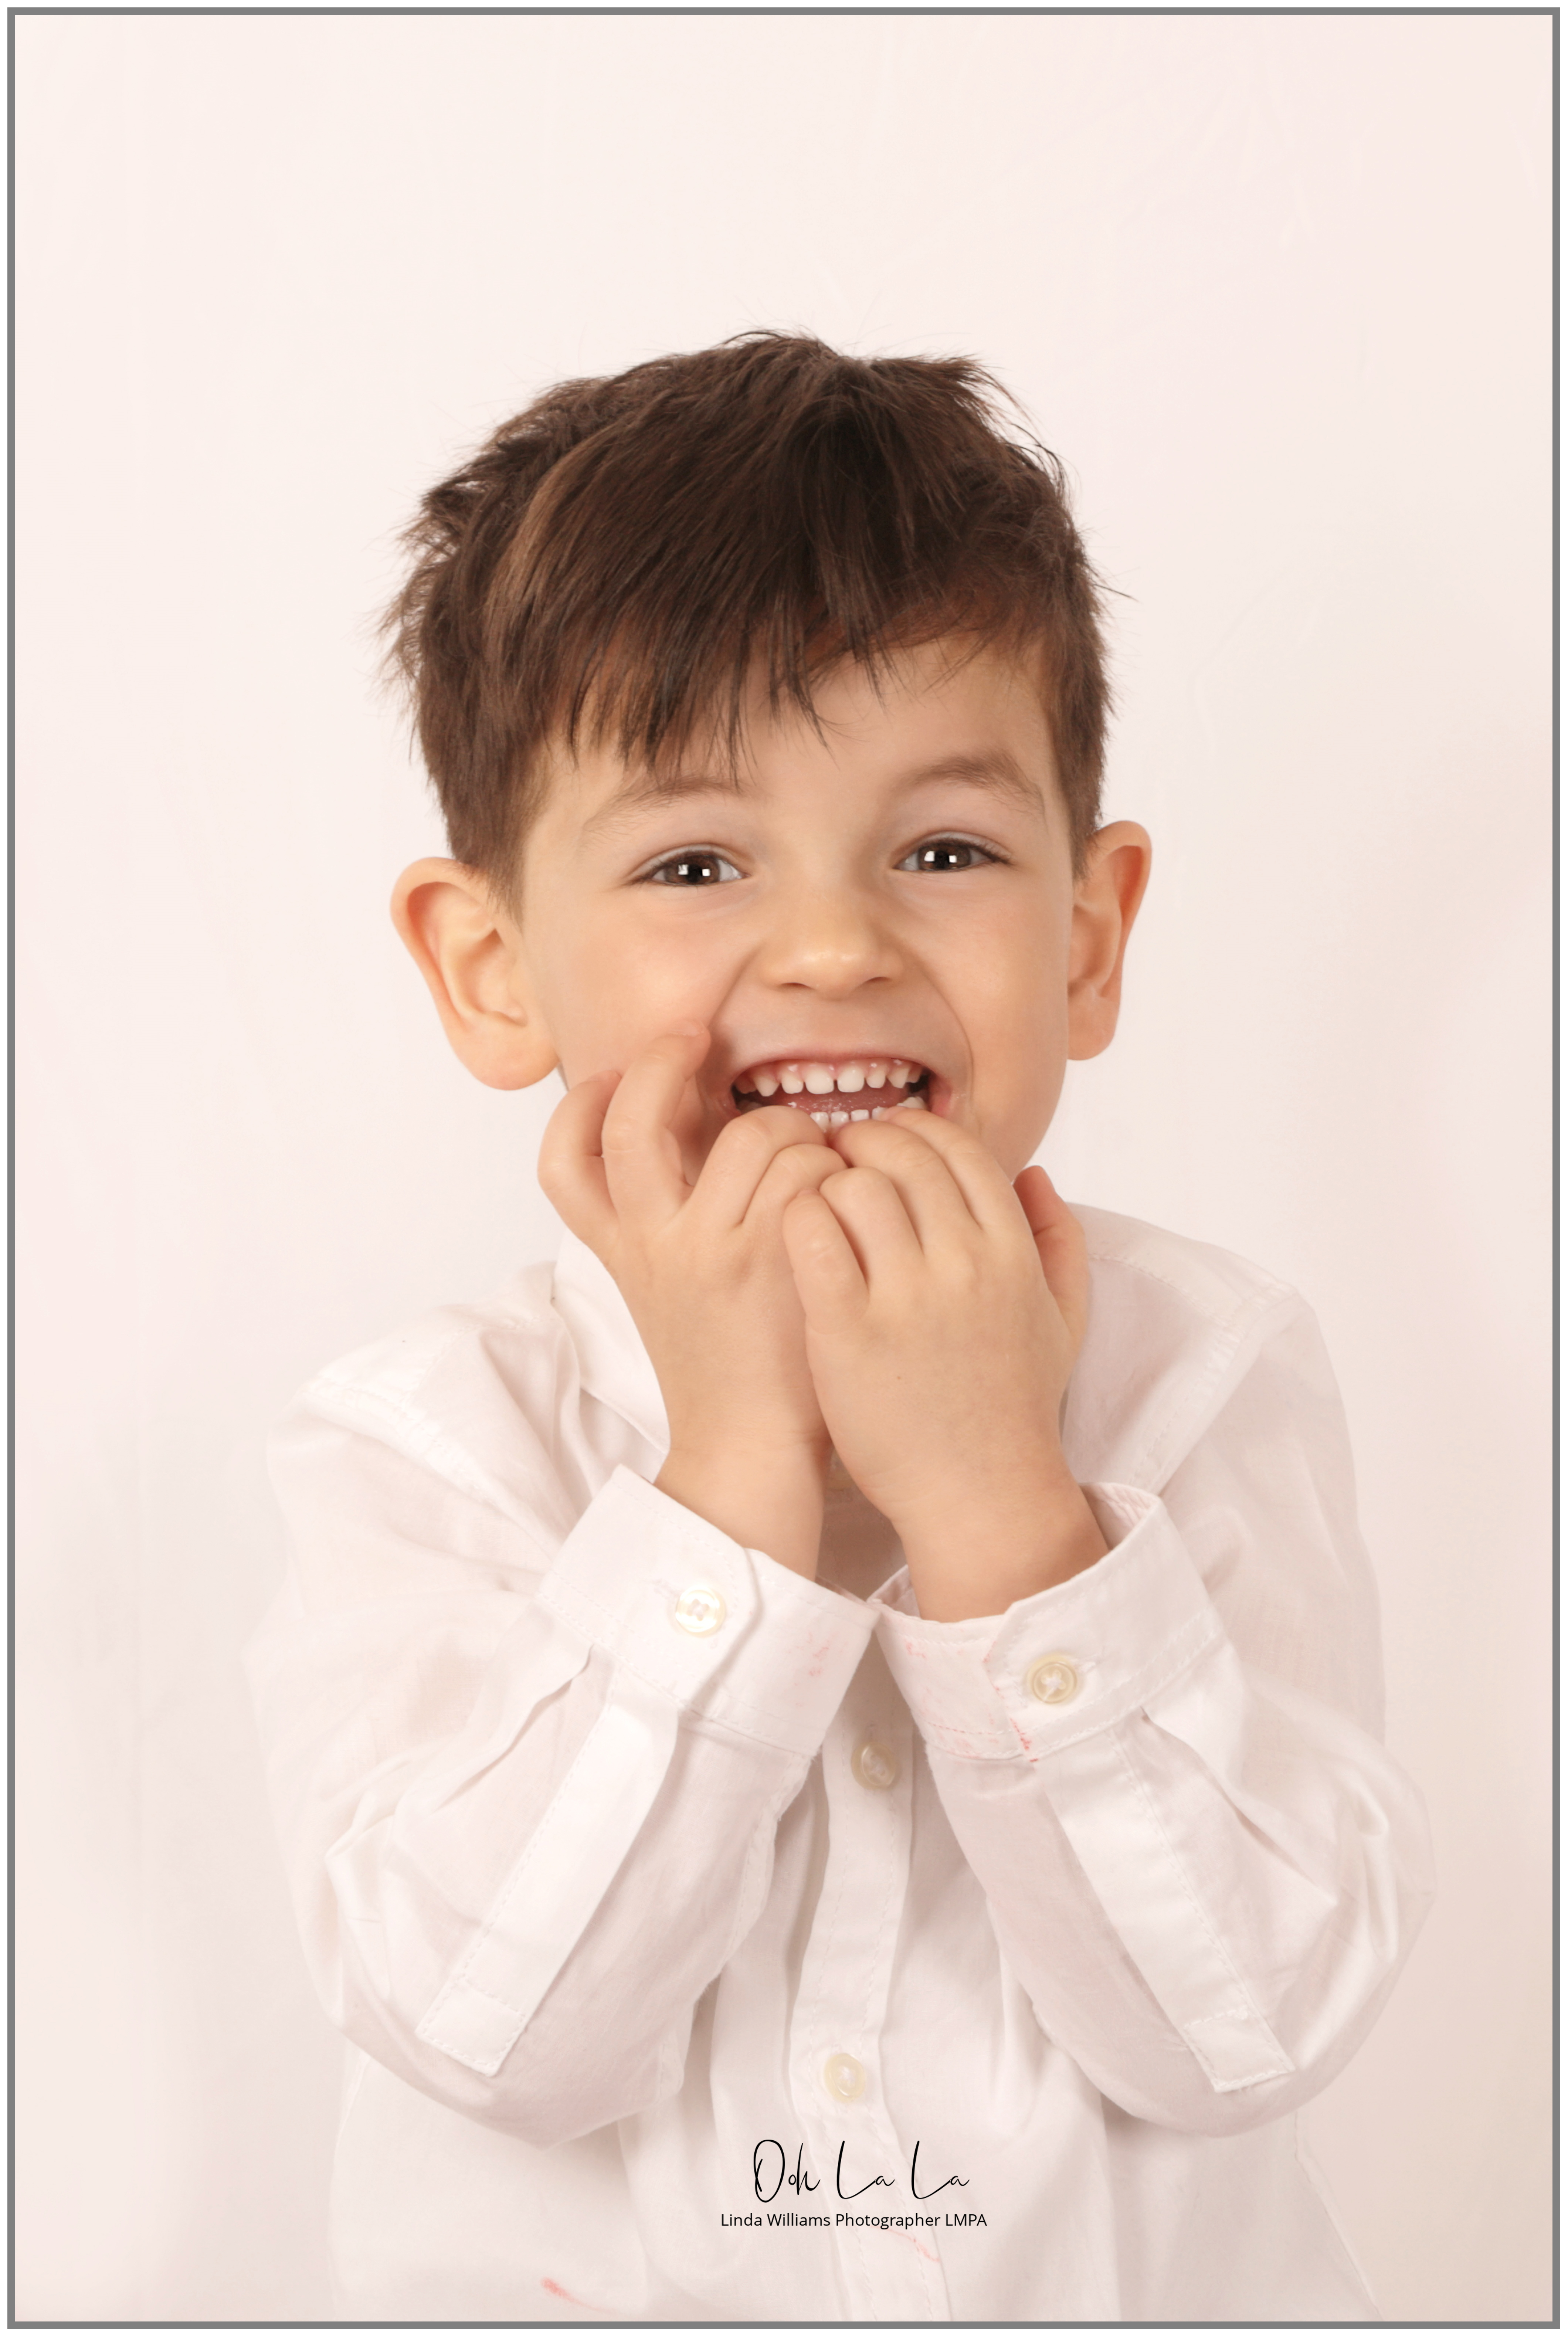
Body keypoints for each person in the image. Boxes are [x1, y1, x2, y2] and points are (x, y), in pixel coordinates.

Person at [244, 332, 1433, 2323]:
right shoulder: (423, 1444)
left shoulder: (1201, 1374)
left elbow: (1250, 2026)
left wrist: (1002, 1514)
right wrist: (722, 1491)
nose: (830, 945)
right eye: (695, 861)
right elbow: (483, 2027)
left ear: (1083, 937)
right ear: (488, 965)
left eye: (943, 849)